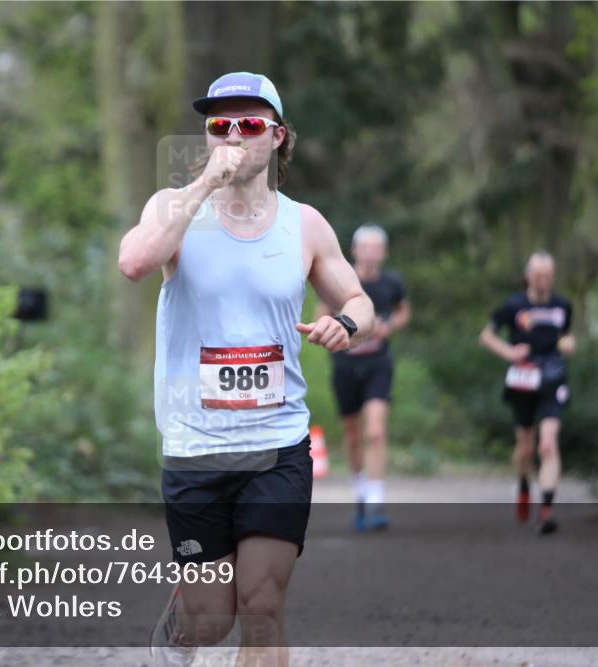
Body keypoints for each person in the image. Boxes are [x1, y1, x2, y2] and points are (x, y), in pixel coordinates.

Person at [118, 71, 375, 667]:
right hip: (195, 446)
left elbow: (360, 301)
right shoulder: (173, 209)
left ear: (278, 137)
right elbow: (134, 262)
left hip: (277, 444)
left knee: (263, 604)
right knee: (211, 622)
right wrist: (206, 183)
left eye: (250, 124)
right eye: (219, 125)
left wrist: (349, 325)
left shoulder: (304, 224)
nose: (233, 135)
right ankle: (181, 628)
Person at [479, 252, 575, 535]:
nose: (542, 280)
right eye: (537, 275)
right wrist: (509, 352)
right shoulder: (513, 305)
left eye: (547, 275)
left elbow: (567, 334)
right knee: (525, 448)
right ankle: (523, 483)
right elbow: (485, 336)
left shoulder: (563, 305)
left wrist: (568, 343)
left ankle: (546, 509)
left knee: (547, 445)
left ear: (553, 277)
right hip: (523, 379)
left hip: (553, 378)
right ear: (528, 276)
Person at [321, 224, 409, 532]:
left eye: (377, 248)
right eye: (366, 248)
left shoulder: (391, 283)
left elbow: (402, 312)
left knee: (375, 431)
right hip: (345, 367)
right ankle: (360, 495)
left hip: (378, 364)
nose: (371, 254)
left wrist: (388, 327)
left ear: (383, 253)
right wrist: (341, 330)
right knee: (353, 435)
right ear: (355, 251)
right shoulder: (341, 281)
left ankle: (376, 501)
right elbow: (323, 312)